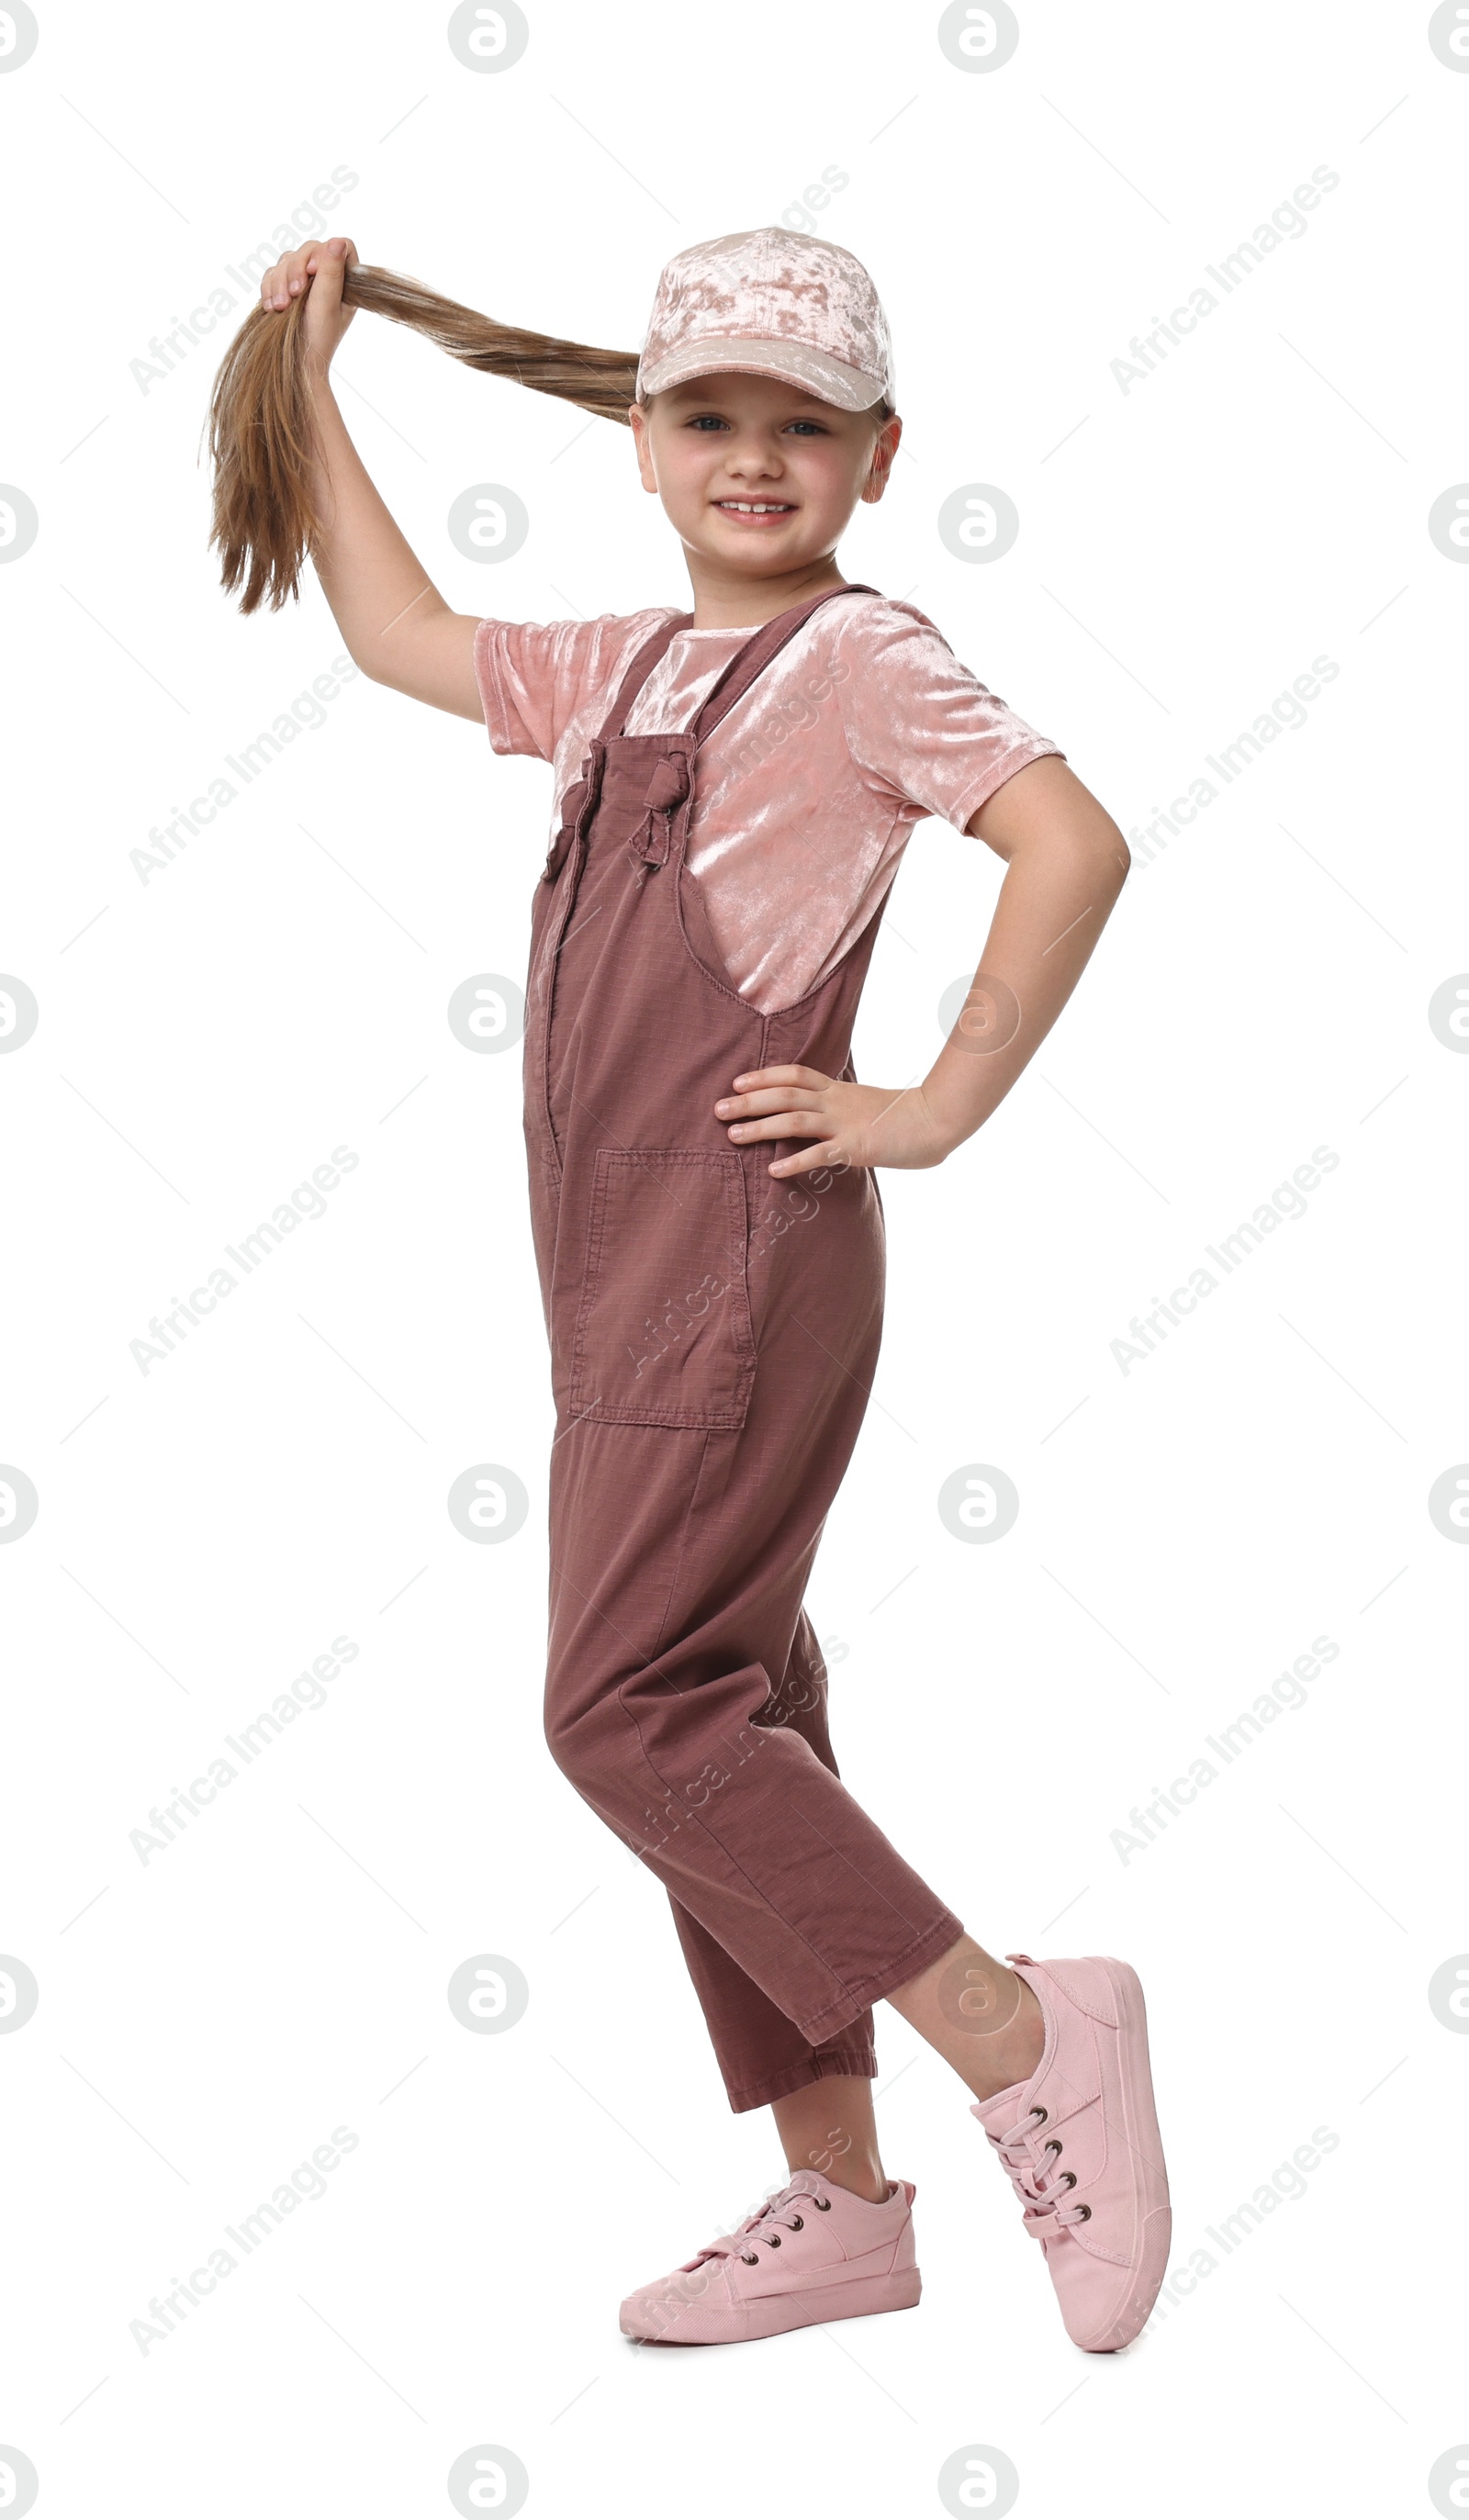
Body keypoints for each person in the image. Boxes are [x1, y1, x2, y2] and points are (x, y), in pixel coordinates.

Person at [219, 224, 1170, 2355]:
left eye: (802, 425)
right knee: (731, 1708)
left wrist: (927, 1100)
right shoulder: (627, 668)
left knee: (621, 1711)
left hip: (737, 1242)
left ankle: (1016, 2027)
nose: (758, 455)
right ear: (642, 441)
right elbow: (396, 631)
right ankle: (838, 2198)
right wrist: (310, 364)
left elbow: (1071, 840)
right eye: (713, 416)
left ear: (874, 453)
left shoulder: (863, 660)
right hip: (614, 1258)